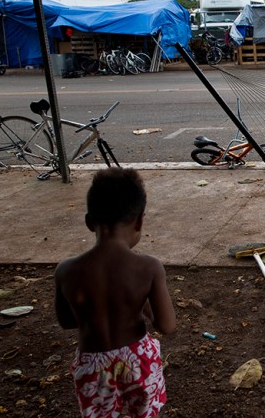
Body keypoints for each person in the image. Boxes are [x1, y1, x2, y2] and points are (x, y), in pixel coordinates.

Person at [54, 168, 176, 418]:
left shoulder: (66, 270)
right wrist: (141, 304)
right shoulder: (148, 267)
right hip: (137, 362)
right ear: (139, 221)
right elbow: (167, 325)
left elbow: (66, 322)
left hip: (92, 366)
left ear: (89, 222)